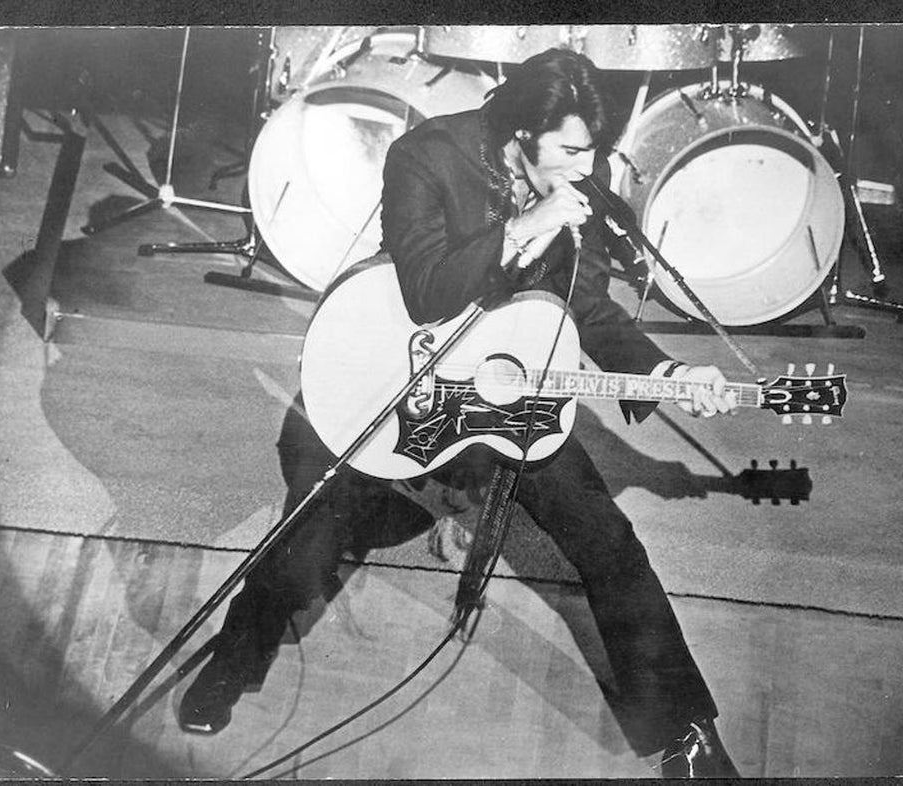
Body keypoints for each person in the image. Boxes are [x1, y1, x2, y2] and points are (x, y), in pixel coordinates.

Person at [179, 47, 740, 778]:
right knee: (311, 539)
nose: (585, 167)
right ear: (519, 139)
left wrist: (665, 373)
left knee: (608, 541)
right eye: (569, 150)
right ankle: (232, 660)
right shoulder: (427, 156)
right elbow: (425, 289)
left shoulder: (581, 177)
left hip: (502, 389)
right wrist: (524, 226)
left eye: (592, 152)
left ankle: (686, 735)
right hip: (399, 374)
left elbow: (589, 305)